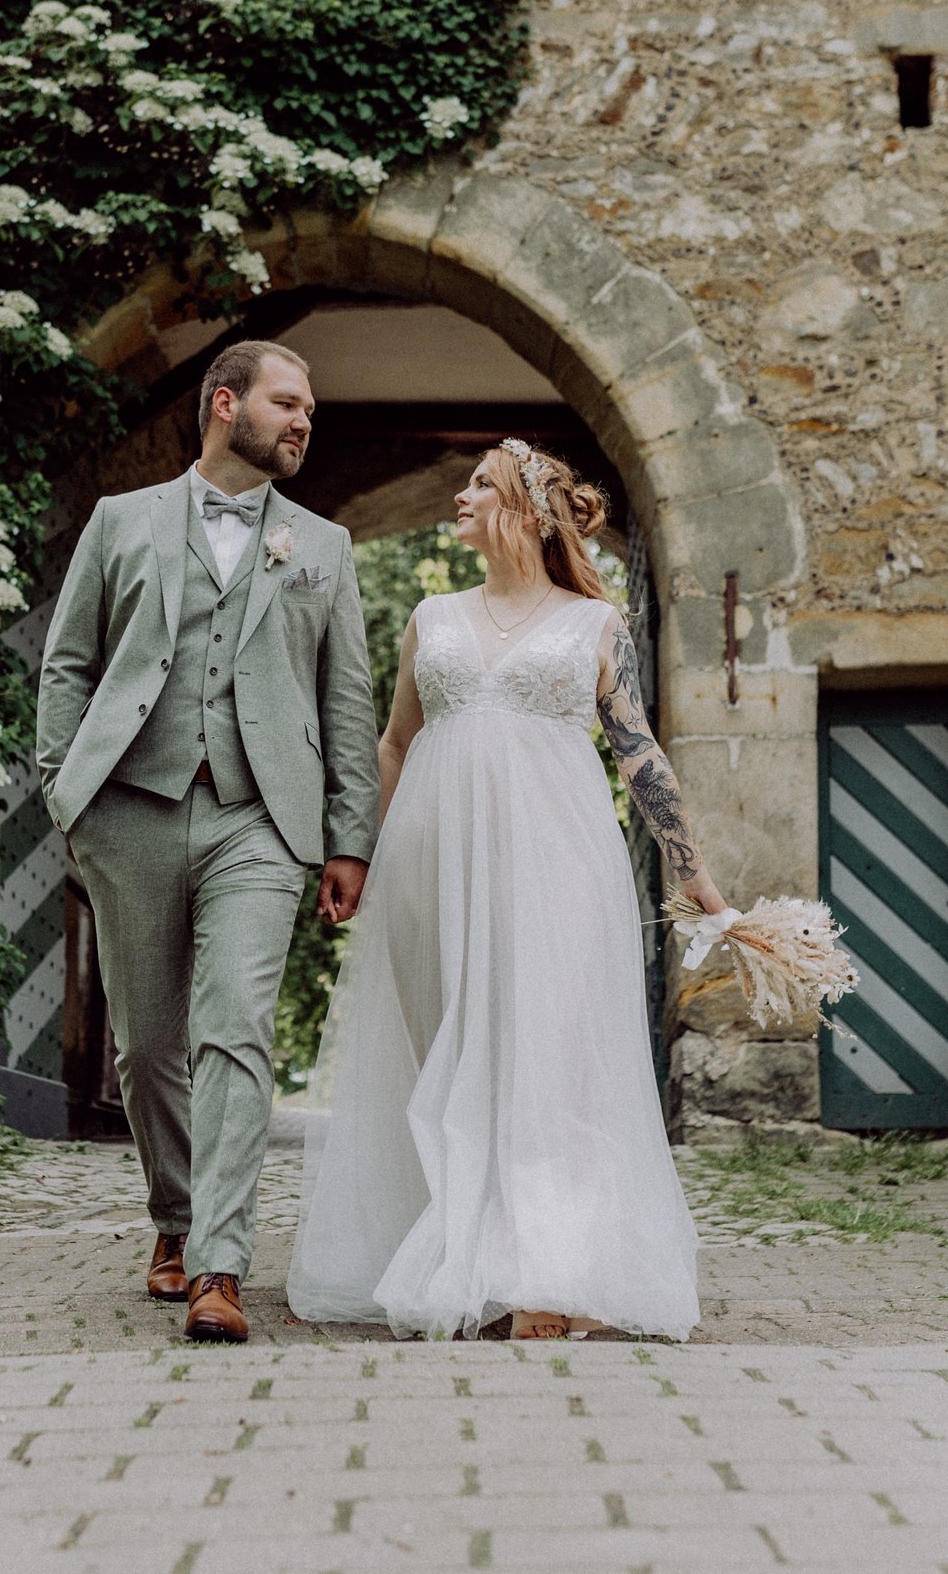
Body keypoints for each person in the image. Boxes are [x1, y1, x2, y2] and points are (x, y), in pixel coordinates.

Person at [287, 438, 727, 1342]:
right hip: (429, 870)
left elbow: (639, 757)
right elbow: (397, 743)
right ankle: (470, 1256)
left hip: (555, 865)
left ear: (528, 510)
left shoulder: (592, 627)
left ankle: (548, 1272)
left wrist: (701, 882)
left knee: (545, 1055)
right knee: (449, 1055)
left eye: (479, 483)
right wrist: (358, 854)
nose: (459, 494)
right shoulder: (431, 617)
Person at [35, 340, 381, 1343]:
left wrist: (346, 834)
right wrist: (68, 793)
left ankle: (221, 1264)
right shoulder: (120, 523)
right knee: (147, 1050)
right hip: (131, 807)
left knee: (234, 1026)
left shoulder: (322, 545)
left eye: (309, 405)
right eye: (288, 400)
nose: (304, 418)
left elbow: (345, 702)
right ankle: (176, 1219)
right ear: (225, 405)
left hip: (260, 817)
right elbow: (68, 664)